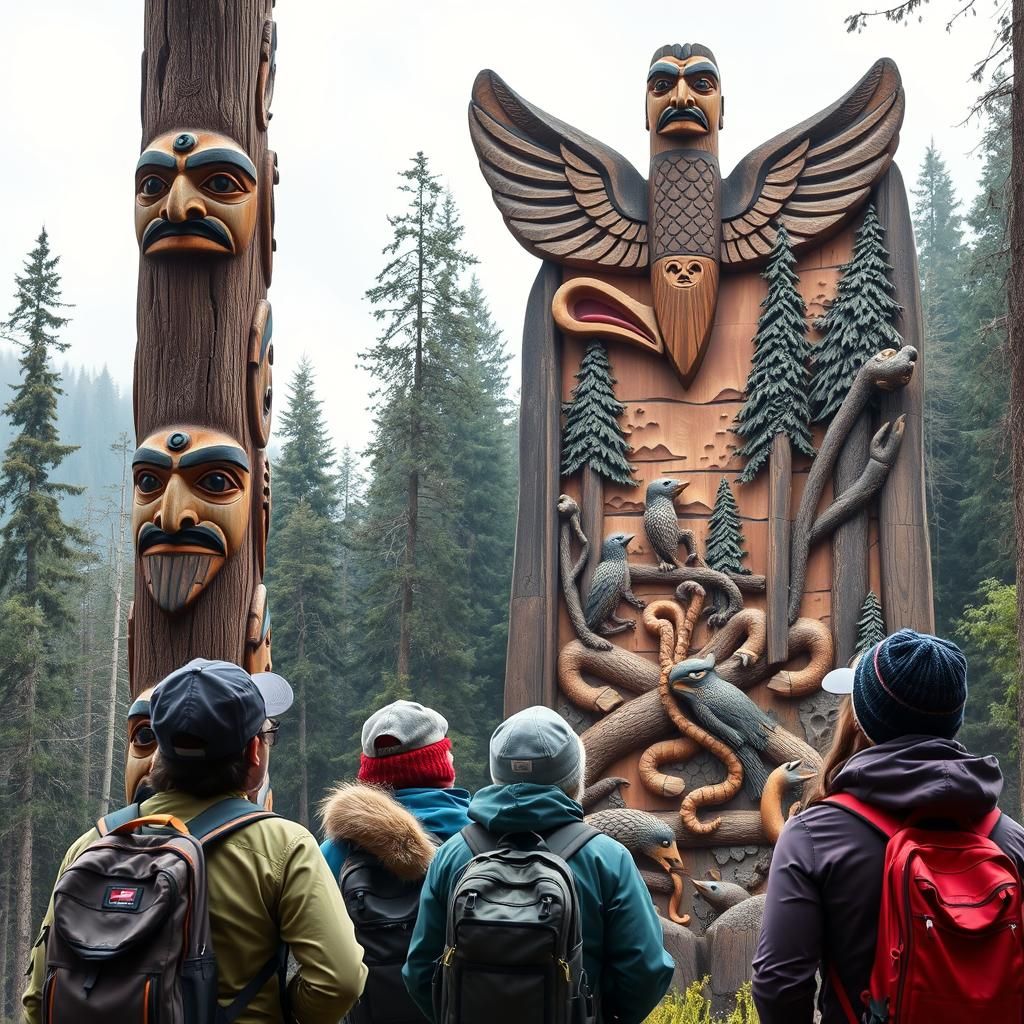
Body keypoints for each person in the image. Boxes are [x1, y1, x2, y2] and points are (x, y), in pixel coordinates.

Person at [23, 658, 367, 1024]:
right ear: (254, 753)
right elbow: (339, 981)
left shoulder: (92, 843)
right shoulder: (285, 846)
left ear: (160, 753)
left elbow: (38, 997)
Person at [751, 629, 1024, 1023]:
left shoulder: (813, 836)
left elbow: (778, 985)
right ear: (954, 720)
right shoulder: (1010, 840)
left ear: (860, 721)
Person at [403, 704, 675, 1023]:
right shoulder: (608, 858)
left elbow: (420, 971)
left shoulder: (453, 854)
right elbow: (646, 969)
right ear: (575, 777)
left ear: (497, 774)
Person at [319, 699, 471, 876]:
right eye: (447, 752)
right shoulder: (481, 836)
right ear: (438, 767)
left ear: (370, 774)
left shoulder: (335, 850)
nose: (452, 758)